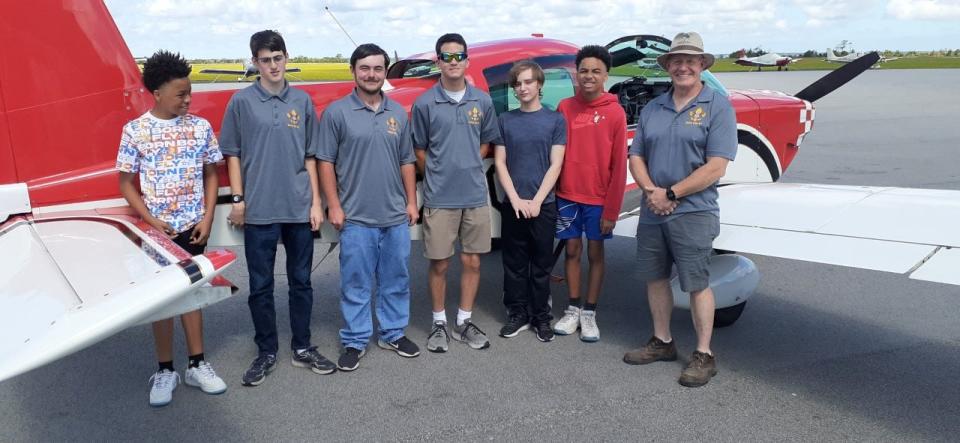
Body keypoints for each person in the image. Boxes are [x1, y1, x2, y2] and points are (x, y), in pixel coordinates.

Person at [622, 32, 737, 388]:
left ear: (702, 65)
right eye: (676, 61)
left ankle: (704, 353)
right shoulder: (653, 108)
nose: (683, 66)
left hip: (694, 210)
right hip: (653, 208)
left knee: (697, 283)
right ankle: (663, 341)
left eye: (690, 60)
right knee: (655, 277)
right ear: (668, 66)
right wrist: (652, 192)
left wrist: (672, 192)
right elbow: (636, 155)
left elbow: (716, 166)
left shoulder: (718, 106)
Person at [220, 30, 334, 386]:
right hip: (259, 211)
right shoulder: (241, 102)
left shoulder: (301, 101)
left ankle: (302, 346)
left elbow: (311, 156)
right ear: (255, 62)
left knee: (301, 281)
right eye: (265, 59)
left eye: (278, 58)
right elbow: (233, 154)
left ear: (287, 58)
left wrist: (316, 202)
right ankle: (266, 350)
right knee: (260, 285)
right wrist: (238, 200)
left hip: (299, 207)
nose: (273, 65)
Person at [116, 50, 227, 407]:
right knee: (161, 300)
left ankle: (197, 364)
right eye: (181, 94)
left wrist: (208, 217)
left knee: (191, 294)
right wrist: (150, 221)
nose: (187, 99)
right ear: (158, 93)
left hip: (193, 227)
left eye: (189, 93)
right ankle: (165, 370)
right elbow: (126, 183)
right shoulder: (135, 132)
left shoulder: (199, 128)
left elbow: (212, 172)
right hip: (157, 233)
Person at [317, 43, 421, 371]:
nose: (371, 74)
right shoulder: (336, 113)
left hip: (394, 216)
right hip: (356, 216)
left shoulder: (396, 114)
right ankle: (355, 339)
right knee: (356, 281)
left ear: (384, 72)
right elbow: (325, 162)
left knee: (396, 278)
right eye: (365, 68)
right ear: (353, 71)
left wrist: (411, 201)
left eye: (378, 68)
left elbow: (406, 159)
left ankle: (391, 333)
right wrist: (333, 205)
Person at [412, 33, 503, 352]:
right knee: (439, 264)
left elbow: (487, 141)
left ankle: (463, 321)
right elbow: (419, 149)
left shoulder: (482, 101)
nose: (452, 62)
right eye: (446, 57)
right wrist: (439, 171)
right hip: (440, 198)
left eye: (458, 56)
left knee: (473, 262)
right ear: (438, 61)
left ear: (466, 61)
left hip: (475, 197)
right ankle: (439, 322)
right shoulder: (425, 104)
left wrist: (468, 163)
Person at [552, 45, 627, 342]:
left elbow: (619, 166)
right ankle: (572, 308)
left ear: (606, 75)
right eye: (583, 70)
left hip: (598, 198)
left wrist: (611, 210)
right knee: (571, 251)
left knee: (596, 253)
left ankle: (589, 313)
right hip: (568, 195)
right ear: (576, 72)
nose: (589, 76)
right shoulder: (565, 107)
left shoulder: (615, 113)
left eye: (596, 71)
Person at [493, 60, 566, 342]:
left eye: (527, 82)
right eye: (517, 84)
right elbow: (500, 162)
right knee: (514, 263)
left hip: (543, 205)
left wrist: (536, 200)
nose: (522, 88)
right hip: (514, 205)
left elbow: (555, 164)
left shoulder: (555, 120)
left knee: (541, 264)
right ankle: (517, 313)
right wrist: (515, 200)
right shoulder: (505, 121)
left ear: (539, 85)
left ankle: (541, 316)